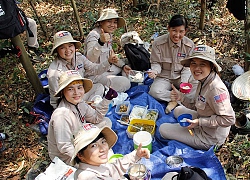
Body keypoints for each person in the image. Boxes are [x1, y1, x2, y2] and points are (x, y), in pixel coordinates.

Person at [159, 45, 236, 150]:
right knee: (177, 110)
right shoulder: (203, 79)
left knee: (163, 129)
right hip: (203, 119)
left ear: (211, 66)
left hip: (210, 138)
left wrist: (199, 122)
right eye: (193, 63)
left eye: (202, 64)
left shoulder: (216, 89)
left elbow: (229, 119)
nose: (196, 68)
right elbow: (198, 104)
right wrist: (181, 97)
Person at [47, 70, 118, 164]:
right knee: (104, 163)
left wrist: (107, 99)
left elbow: (96, 118)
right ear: (63, 92)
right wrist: (86, 157)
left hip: (81, 138)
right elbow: (64, 147)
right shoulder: (62, 115)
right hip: (69, 157)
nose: (76, 93)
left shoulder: (80, 103)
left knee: (106, 121)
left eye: (79, 87)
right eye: (70, 89)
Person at [48, 30, 118, 109]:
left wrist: (109, 62)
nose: (67, 50)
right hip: (67, 103)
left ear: (74, 46)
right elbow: (58, 99)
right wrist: (81, 104)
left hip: (79, 94)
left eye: (70, 46)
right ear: (57, 50)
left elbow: (94, 69)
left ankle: (91, 108)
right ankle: (84, 110)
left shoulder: (79, 57)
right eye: (62, 48)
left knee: (99, 87)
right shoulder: (54, 72)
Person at [147, 14, 198, 113]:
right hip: (164, 76)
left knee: (196, 85)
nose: (177, 35)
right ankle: (177, 99)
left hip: (181, 76)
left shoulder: (189, 45)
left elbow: (187, 67)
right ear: (168, 28)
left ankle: (176, 98)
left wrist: (184, 83)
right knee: (154, 91)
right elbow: (156, 62)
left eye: (181, 31)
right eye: (174, 30)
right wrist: (155, 71)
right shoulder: (158, 43)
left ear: (185, 31)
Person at [70, 123, 150, 179]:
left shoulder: (96, 164)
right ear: (80, 155)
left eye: (103, 142)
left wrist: (136, 155)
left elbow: (114, 168)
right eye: (93, 146)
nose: (103, 149)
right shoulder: (88, 177)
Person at [84, 8, 131, 92]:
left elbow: (111, 57)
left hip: (108, 68)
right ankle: (101, 90)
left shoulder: (108, 34)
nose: (112, 25)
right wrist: (100, 42)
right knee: (125, 83)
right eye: (109, 21)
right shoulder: (94, 35)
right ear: (101, 22)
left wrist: (123, 66)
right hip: (96, 74)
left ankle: (115, 83)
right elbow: (90, 59)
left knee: (129, 66)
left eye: (115, 22)